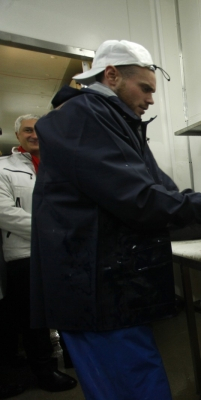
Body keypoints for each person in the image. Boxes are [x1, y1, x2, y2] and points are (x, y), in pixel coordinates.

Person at [30, 40, 201, 400]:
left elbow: (163, 193)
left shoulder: (118, 124)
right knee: (130, 387)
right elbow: (139, 199)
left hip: (111, 286)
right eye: (146, 88)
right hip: (93, 288)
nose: (152, 99)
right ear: (112, 75)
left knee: (132, 379)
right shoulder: (81, 118)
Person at [0, 115, 78, 397]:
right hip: (24, 254)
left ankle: (74, 359)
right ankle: (45, 372)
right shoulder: (3, 168)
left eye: (39, 130)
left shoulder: (59, 165)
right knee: (36, 319)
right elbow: (4, 213)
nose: (34, 134)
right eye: (27, 130)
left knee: (68, 309)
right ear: (17, 135)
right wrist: (50, 230)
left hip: (62, 251)